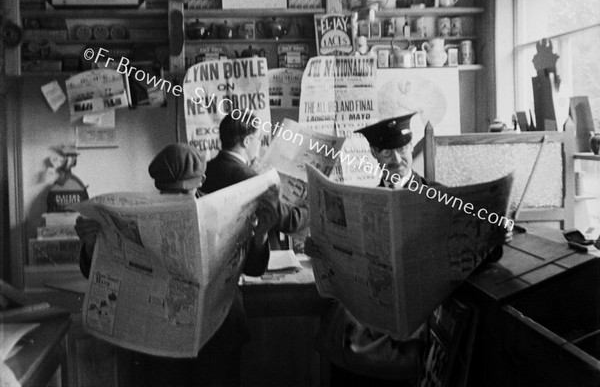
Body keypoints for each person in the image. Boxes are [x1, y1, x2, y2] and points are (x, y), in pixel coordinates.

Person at [76, 142, 279, 387]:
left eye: (186, 193)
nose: (180, 201)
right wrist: (90, 244)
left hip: (220, 336)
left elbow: (254, 269)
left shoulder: (228, 212)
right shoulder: (139, 217)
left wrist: (261, 235)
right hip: (162, 340)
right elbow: (98, 272)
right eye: (170, 194)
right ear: (158, 187)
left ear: (202, 180)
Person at [310, 113, 438, 387]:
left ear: (411, 147)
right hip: (370, 318)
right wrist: (324, 251)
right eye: (386, 152)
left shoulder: (437, 198)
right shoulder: (363, 202)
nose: (397, 159)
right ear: (374, 155)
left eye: (402, 149)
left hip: (413, 326)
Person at [201, 112, 310, 251]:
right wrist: (311, 206)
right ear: (247, 141)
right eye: (259, 139)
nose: (260, 144)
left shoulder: (206, 170)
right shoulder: (251, 179)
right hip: (248, 257)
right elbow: (289, 221)